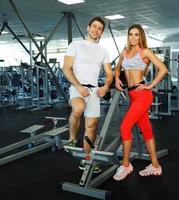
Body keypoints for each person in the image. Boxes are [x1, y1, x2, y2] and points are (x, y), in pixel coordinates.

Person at [113, 24, 168, 180]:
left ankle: (125, 165)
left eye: (137, 34)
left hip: (143, 94)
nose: (133, 37)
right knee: (146, 129)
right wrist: (117, 78)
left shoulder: (145, 52)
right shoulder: (124, 52)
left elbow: (163, 68)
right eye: (131, 34)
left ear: (141, 36)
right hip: (132, 95)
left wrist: (150, 85)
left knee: (125, 126)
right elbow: (117, 69)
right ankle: (155, 165)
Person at [62, 17, 113, 173]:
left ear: (101, 32)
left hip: (94, 92)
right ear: (88, 27)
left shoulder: (103, 51)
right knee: (78, 108)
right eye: (94, 26)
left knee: (91, 127)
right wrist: (78, 86)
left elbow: (109, 74)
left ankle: (87, 159)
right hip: (77, 87)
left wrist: (105, 86)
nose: (96, 30)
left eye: (99, 29)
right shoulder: (75, 45)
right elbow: (66, 68)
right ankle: (71, 138)